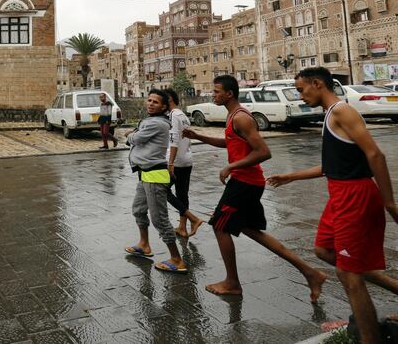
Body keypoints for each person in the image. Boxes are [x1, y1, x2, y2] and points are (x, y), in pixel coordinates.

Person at [268, 67, 398, 344]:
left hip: (355, 195)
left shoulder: (342, 111)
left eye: (302, 90)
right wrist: (290, 176)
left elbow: (376, 154)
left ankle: (369, 339)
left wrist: (389, 202)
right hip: (339, 194)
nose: (300, 96)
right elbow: (332, 166)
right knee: (324, 250)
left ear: (318, 84)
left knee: (347, 273)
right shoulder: (330, 115)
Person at [183, 75, 326, 300]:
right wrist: (197, 135)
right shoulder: (233, 116)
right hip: (246, 182)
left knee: (220, 226)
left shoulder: (241, 118)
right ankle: (310, 272)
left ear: (229, 94)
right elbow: (228, 142)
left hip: (245, 183)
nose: (214, 94)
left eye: (217, 91)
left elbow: (263, 152)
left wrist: (231, 166)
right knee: (251, 231)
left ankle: (232, 283)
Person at [125, 89, 187, 273]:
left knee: (160, 219)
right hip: (145, 173)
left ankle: (176, 259)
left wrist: (130, 135)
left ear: (164, 106)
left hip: (155, 175)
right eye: (149, 100)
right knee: (138, 210)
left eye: (156, 102)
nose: (150, 104)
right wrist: (135, 134)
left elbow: (135, 138)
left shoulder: (158, 123)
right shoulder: (151, 121)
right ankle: (144, 244)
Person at [162, 88, 205, 238]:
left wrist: (170, 163)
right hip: (187, 159)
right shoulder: (183, 115)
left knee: (162, 191)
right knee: (182, 194)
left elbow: (174, 140)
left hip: (177, 161)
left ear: (169, 100)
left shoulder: (173, 115)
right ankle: (182, 227)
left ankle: (193, 219)